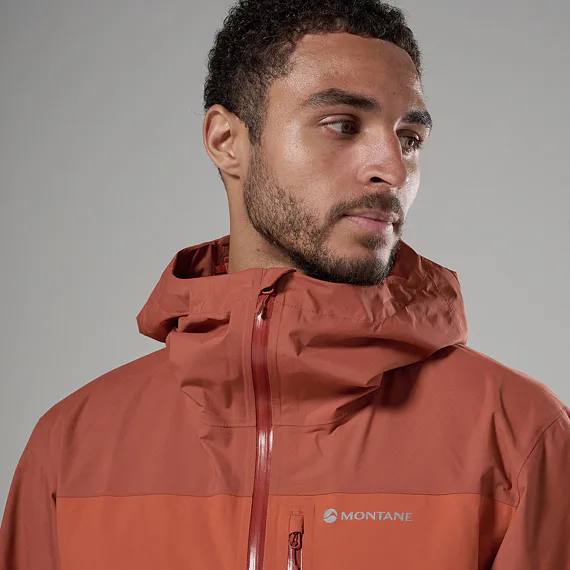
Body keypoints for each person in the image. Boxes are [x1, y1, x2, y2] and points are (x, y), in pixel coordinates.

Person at [1, 0, 569, 568]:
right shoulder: (71, 449)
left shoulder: (518, 437)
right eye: (342, 125)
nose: (393, 170)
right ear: (227, 140)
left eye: (410, 138)